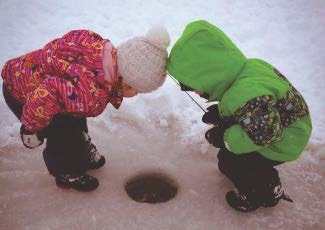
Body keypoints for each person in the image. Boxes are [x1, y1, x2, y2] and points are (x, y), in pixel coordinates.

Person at [1, 27, 170, 191]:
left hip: (28, 73)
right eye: (137, 90)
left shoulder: (100, 54)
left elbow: (75, 38)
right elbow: (46, 94)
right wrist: (31, 128)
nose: (137, 94)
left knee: (76, 109)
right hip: (24, 95)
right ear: (126, 82)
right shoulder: (91, 92)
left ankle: (81, 149)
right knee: (63, 133)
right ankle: (66, 172)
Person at [167, 20, 312, 212]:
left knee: (232, 161)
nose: (196, 93)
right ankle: (250, 173)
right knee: (229, 158)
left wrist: (225, 137)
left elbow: (265, 134)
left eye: (194, 87)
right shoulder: (248, 70)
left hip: (283, 140)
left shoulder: (246, 94)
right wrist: (223, 115)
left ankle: (264, 191)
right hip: (287, 127)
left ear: (209, 76)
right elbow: (257, 109)